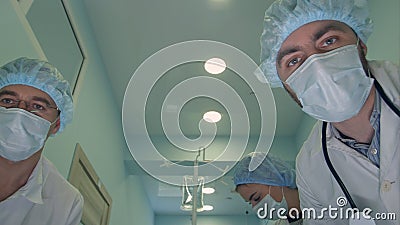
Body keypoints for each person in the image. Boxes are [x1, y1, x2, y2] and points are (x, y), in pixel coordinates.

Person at [258, 0, 399, 224]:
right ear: (287, 86)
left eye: (329, 41)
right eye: (294, 61)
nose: (318, 65)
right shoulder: (309, 167)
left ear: (360, 45)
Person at [0, 57, 83, 225]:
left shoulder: (66, 203)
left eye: (38, 106)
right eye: (7, 101)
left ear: (56, 124)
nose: (19, 112)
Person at [234, 152, 303, 225]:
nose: (255, 208)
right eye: (250, 203)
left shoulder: (315, 201)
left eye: (256, 198)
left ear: (276, 180)